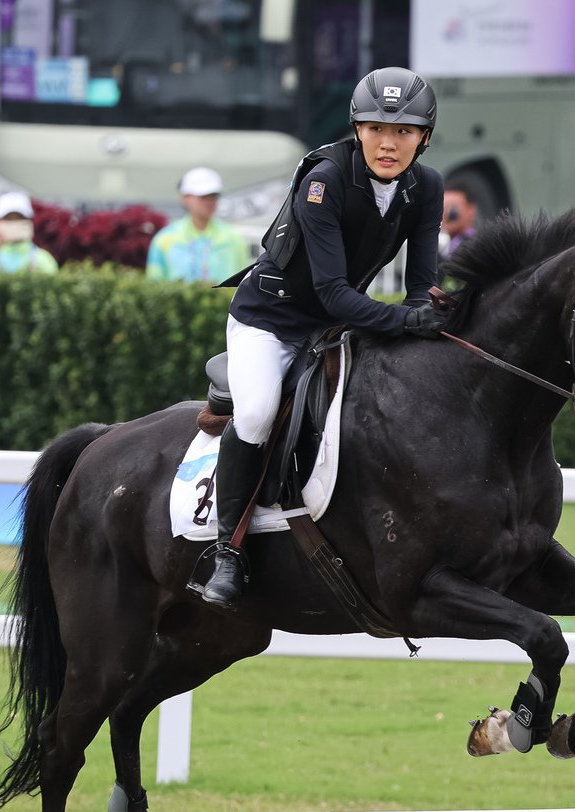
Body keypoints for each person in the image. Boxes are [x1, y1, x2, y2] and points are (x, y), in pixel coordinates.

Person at [200, 66, 448, 609]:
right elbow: (334, 291)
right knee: (260, 411)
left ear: (423, 138)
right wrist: (406, 323)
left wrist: (428, 317)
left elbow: (422, 286)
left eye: (404, 131)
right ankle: (227, 554)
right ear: (357, 129)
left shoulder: (425, 186)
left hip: (332, 328)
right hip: (271, 321)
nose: (389, 143)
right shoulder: (325, 179)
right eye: (377, 128)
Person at [146, 167, 250, 283]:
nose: (210, 201)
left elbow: (243, 282)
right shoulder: (164, 239)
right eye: (203, 196)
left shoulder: (233, 238)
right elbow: (154, 284)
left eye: (214, 196)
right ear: (185, 198)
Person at [0, 193, 58, 275]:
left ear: (29, 223)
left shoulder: (43, 259)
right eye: (8, 219)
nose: (13, 223)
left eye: (19, 219)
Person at [440, 183, 478, 260]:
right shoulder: (443, 242)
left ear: (471, 210)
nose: (446, 214)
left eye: (453, 208)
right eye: (443, 208)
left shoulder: (473, 244)